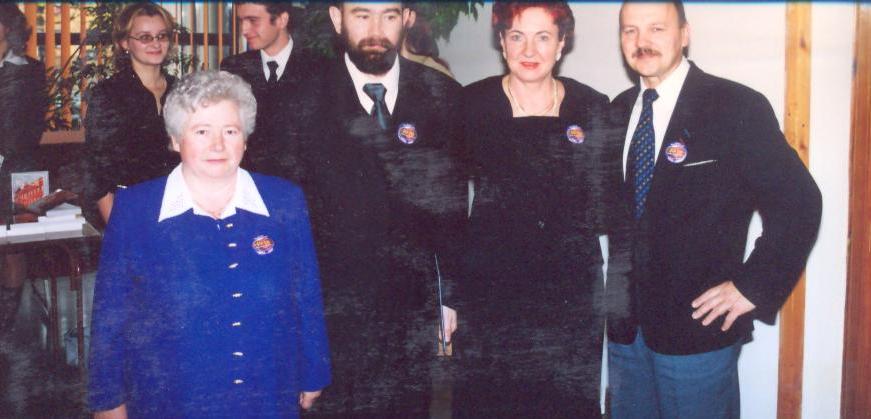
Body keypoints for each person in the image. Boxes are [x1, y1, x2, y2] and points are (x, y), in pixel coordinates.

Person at [607, 2, 822, 418]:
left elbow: (799, 202)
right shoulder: (617, 110)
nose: (641, 41)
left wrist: (752, 286)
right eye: (629, 30)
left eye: (656, 28)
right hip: (625, 336)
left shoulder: (735, 106)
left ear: (684, 34)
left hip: (697, 335)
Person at [87, 70, 330, 419]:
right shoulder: (136, 209)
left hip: (267, 392)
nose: (218, 145)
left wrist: (314, 371)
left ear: (245, 139)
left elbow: (306, 292)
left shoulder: (284, 200)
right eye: (202, 131)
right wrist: (108, 401)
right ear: (175, 139)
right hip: (169, 398)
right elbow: (110, 314)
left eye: (230, 131)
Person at [297, 2, 465, 417]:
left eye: (389, 15)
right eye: (361, 14)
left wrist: (448, 296)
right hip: (331, 316)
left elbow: (451, 208)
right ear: (337, 18)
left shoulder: (441, 95)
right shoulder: (298, 99)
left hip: (410, 315)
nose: (376, 29)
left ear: (406, 19)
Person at [453, 2, 620, 418]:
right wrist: (447, 296)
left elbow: (607, 204)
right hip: (491, 294)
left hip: (569, 297)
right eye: (517, 36)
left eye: (543, 37)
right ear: (502, 42)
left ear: (562, 44)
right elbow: (445, 204)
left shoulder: (592, 107)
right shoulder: (469, 106)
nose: (529, 50)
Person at [84, 2, 179, 224]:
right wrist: (117, 228)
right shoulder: (108, 94)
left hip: (177, 207)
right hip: (128, 209)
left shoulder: (182, 90)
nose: (155, 43)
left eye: (162, 36)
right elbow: (98, 172)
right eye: (145, 37)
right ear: (125, 43)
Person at [220, 2, 327, 180]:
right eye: (241, 21)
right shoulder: (234, 68)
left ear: (281, 20)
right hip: (249, 182)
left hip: (303, 185)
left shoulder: (320, 67)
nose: (244, 30)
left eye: (253, 21)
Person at [0, 4, 47, 332]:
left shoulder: (30, 70)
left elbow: (30, 128)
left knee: (14, 248)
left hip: (16, 169)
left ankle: (7, 322)